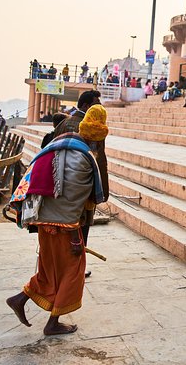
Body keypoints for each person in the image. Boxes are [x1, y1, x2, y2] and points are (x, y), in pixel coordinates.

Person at [6, 131, 104, 335]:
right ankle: (53, 323)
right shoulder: (87, 158)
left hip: (42, 221)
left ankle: (19, 299)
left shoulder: (50, 149)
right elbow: (92, 199)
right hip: (67, 228)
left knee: (48, 268)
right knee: (73, 273)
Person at [54, 91, 109, 277]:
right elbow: (99, 162)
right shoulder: (93, 129)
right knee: (80, 229)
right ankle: (75, 269)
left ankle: (60, 265)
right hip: (81, 189)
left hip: (59, 185)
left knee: (60, 229)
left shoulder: (63, 123)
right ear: (86, 106)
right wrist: (103, 191)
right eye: (96, 103)